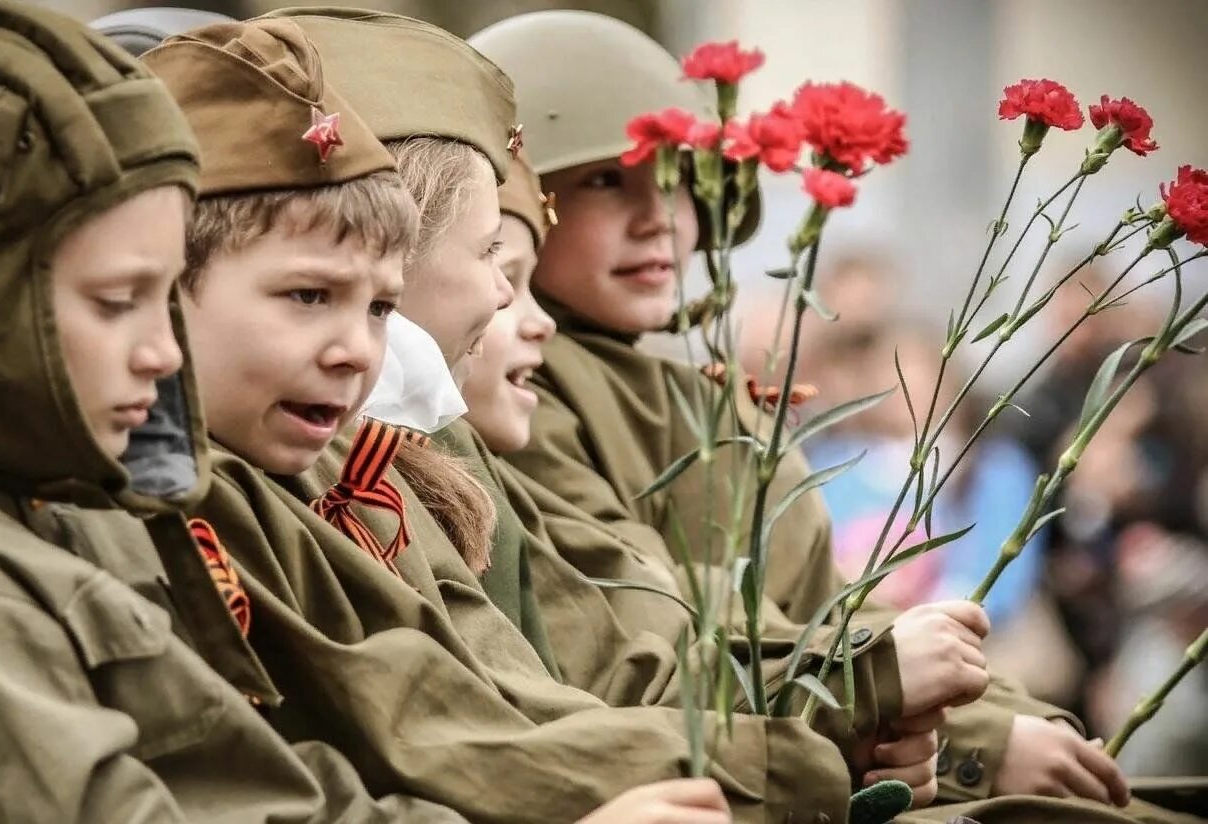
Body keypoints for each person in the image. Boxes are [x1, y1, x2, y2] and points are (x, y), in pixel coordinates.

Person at [474, 9, 1204, 822]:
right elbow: (647, 628)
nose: (660, 217)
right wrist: (977, 744)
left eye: (679, 178)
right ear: (508, 204)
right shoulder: (513, 390)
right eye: (605, 182)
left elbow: (827, 598)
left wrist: (994, 719)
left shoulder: (682, 389)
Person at [137, 10, 855, 822]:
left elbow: (522, 691)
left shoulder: (341, 462)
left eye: (379, 308)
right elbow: (419, 740)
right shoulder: (194, 491)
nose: (354, 349)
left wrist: (835, 717)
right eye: (493, 258)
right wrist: (822, 732)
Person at [0, 2, 467, 821]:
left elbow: (256, 781)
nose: (164, 352)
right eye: (115, 302)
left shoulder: (73, 505)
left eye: (163, 298)